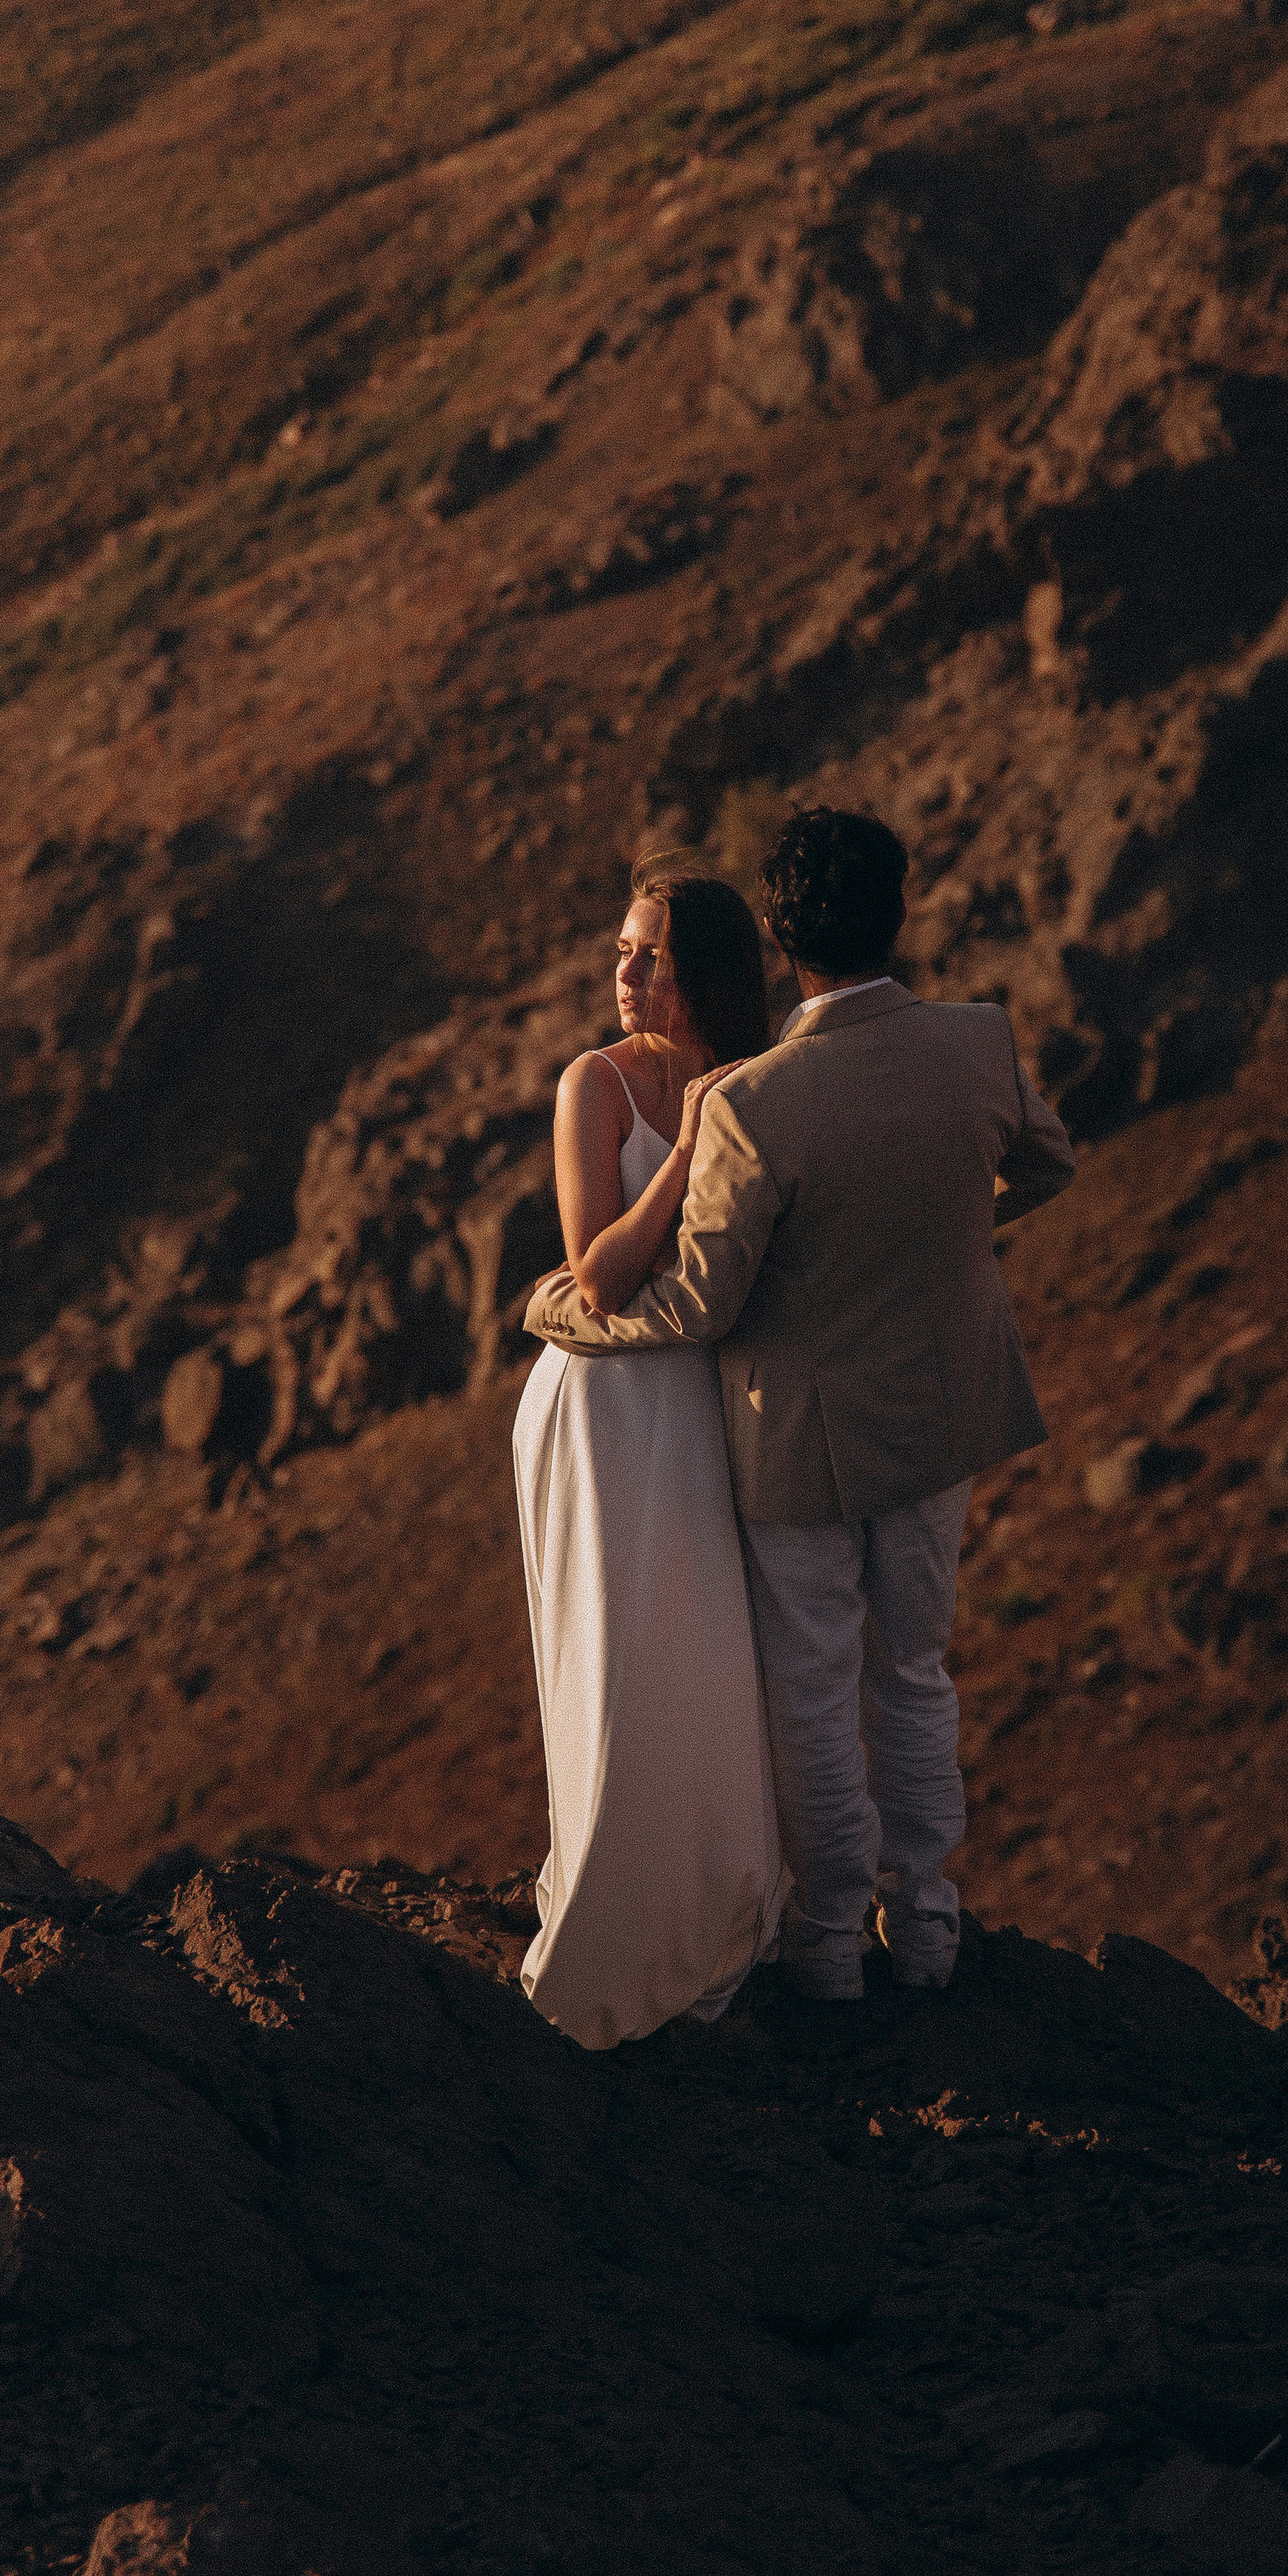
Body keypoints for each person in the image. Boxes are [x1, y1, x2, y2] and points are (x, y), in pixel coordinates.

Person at [527, 806, 1076, 2000]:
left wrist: (558, 1311)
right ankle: (926, 1925)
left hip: (797, 1437)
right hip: (943, 1409)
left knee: (818, 1688)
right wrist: (941, 1242)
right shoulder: (979, 1041)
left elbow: (704, 1307)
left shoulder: (761, 1099)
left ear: (777, 936)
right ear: (899, 908)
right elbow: (1049, 1163)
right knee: (918, 1671)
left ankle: (832, 1945)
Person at [510, 859, 785, 2046]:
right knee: (617, 1659)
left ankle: (719, 1922)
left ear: (705, 974)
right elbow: (598, 1273)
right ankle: (608, 1937)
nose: (623, 975)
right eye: (621, 952)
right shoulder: (597, 1084)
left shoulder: (773, 1081)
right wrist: (692, 1147)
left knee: (708, 1660)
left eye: (650, 957)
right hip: (602, 1404)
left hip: (704, 1406)